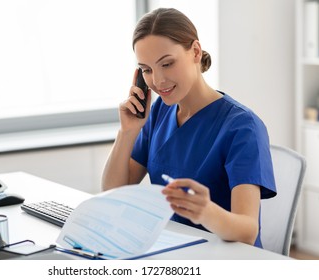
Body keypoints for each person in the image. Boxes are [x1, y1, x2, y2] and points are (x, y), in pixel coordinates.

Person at [102, 7, 276, 248]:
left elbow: (247, 230)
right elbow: (113, 192)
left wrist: (206, 212)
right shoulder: (159, 112)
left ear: (195, 51)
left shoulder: (242, 126)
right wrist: (127, 132)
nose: (158, 81)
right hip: (171, 251)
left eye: (167, 63)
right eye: (147, 70)